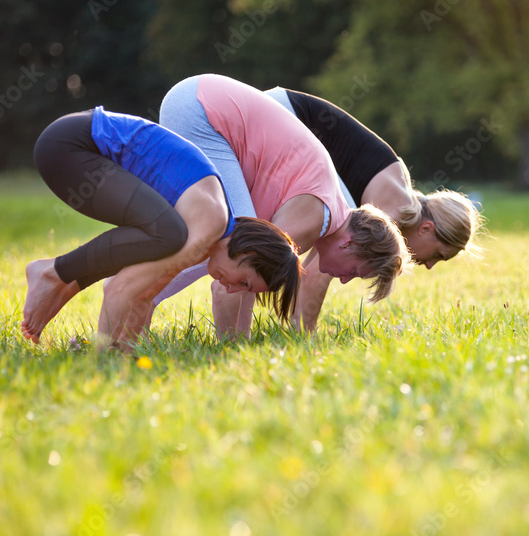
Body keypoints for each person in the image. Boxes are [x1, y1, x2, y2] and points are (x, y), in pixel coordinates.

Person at [151, 74, 410, 338]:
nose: (343, 280)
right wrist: (232, 348)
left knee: (226, 241)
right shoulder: (314, 218)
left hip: (197, 102)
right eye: (354, 272)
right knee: (226, 242)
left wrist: (243, 339)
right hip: (202, 111)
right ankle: (135, 296)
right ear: (350, 244)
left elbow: (248, 279)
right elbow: (231, 275)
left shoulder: (328, 210)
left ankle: (134, 294)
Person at [22, 106, 302, 346]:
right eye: (244, 282)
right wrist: (103, 357)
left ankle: (62, 281)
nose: (231, 289)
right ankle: (54, 273)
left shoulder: (206, 232)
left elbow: (144, 296)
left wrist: (127, 350)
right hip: (72, 146)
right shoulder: (208, 225)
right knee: (169, 235)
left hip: (72, 146)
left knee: (162, 238)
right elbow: (120, 289)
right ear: (248, 254)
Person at [263, 87, 485, 329]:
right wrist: (305, 335)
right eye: (438, 256)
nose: (430, 266)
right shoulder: (392, 212)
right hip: (283, 117)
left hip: (280, 114)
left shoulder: (399, 194)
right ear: (427, 229)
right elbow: (319, 271)